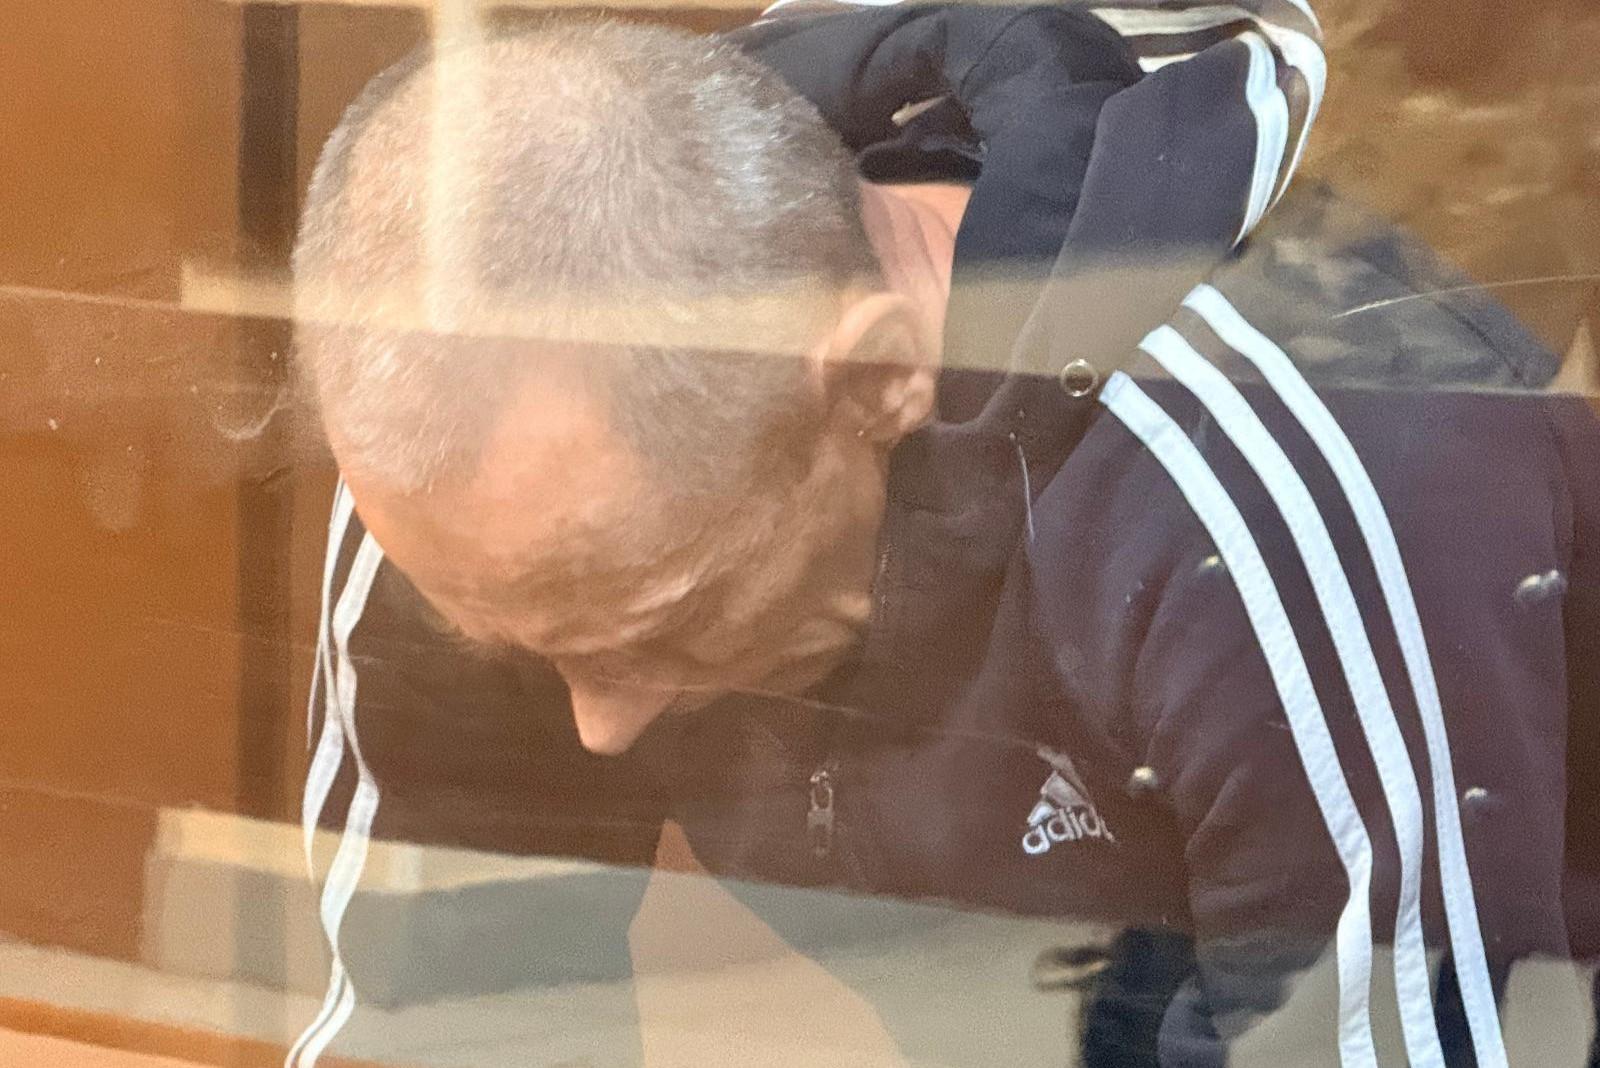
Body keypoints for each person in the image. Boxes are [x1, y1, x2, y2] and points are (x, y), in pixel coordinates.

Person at [287, 4, 1600, 1066]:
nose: (599, 728)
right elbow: (443, 1030)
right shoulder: (496, 503)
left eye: (659, 619)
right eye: (528, 643)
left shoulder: (1280, 485)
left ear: (873, 381)